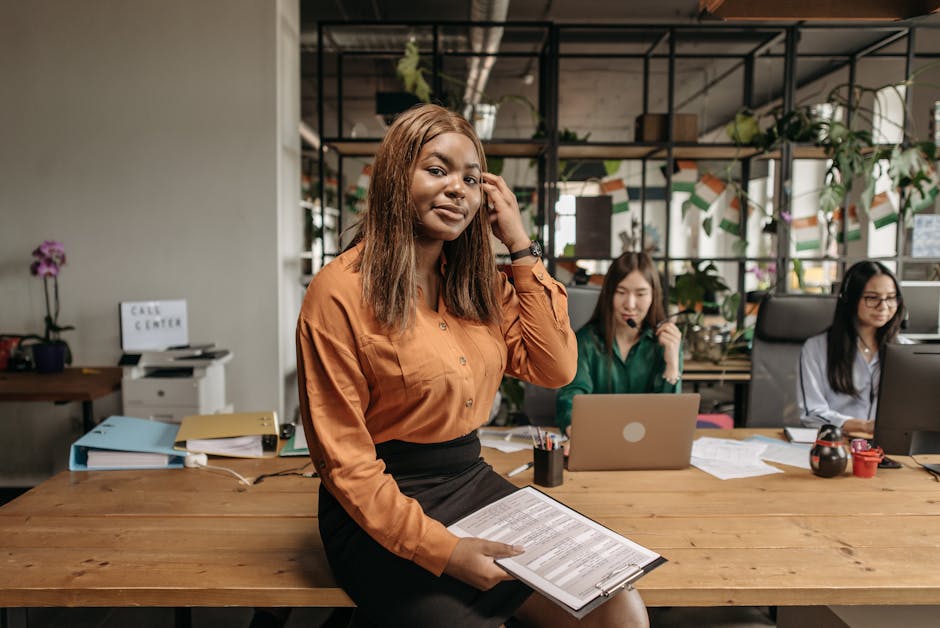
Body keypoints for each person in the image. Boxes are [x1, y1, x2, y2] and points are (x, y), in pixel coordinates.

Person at [296, 104, 649, 628]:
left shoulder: (479, 285)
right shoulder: (338, 292)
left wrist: (521, 247)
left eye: (470, 177)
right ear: (397, 176)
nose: (458, 189)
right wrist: (444, 551)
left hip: (469, 480)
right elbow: (345, 462)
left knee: (618, 605)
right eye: (437, 170)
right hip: (377, 502)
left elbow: (556, 368)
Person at [556, 252, 683, 437]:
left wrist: (672, 366)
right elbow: (571, 398)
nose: (630, 305)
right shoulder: (585, 341)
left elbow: (671, 420)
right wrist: (574, 429)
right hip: (598, 440)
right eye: (621, 292)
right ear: (608, 294)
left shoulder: (667, 343)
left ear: (654, 296)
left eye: (640, 294)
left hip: (650, 444)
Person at [797, 260, 911, 435]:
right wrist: (863, 426)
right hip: (837, 444)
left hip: (890, 446)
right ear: (850, 299)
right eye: (872, 298)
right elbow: (812, 413)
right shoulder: (817, 348)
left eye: (890, 297)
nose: (883, 307)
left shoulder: (906, 351)